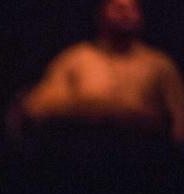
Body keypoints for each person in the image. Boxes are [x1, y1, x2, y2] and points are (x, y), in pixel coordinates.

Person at [20, 0, 184, 144]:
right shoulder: (75, 60)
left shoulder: (159, 65)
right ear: (100, 14)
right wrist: (94, 111)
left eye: (132, 8)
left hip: (144, 162)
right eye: (118, 7)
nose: (126, 13)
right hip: (85, 158)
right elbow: (39, 107)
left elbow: (179, 118)